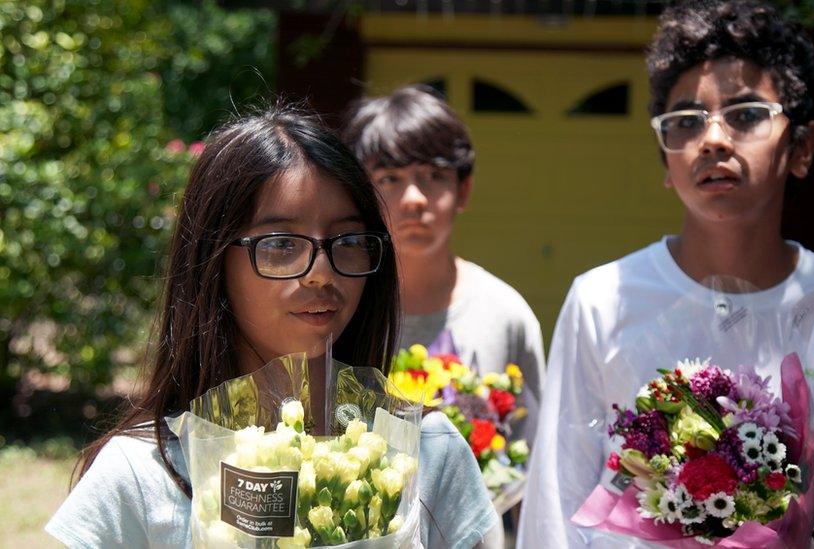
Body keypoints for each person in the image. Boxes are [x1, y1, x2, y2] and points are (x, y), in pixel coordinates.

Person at [518, 1, 814, 548]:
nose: (712, 138)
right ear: (667, 161)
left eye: (746, 113)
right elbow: (555, 495)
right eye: (686, 121)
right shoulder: (601, 299)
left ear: (802, 147)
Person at [46, 104, 497, 548]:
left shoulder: (428, 452)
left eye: (349, 240)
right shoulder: (142, 472)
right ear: (212, 262)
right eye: (281, 243)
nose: (322, 272)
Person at [342, 86, 546, 449]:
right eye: (390, 179)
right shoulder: (339, 308)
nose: (414, 199)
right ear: (362, 193)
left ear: (463, 190)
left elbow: (536, 454)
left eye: (433, 176)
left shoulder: (505, 314)